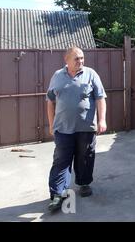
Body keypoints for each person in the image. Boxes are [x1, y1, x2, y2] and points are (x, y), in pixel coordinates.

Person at [46, 47, 107, 212]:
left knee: (85, 157)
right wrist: (51, 125)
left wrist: (102, 120)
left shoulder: (91, 74)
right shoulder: (57, 76)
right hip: (63, 128)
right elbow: (50, 101)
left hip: (86, 127)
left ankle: (84, 183)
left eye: (82, 58)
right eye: (76, 59)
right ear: (66, 59)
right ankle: (58, 194)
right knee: (61, 160)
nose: (80, 61)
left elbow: (100, 98)